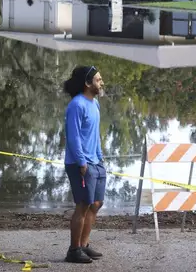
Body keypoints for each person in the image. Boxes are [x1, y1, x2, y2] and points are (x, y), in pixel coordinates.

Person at [62, 65, 106, 263]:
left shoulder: (94, 103)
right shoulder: (76, 105)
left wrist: (100, 157)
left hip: (96, 162)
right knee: (83, 205)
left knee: (96, 204)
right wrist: (82, 162)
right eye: (98, 80)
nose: (101, 82)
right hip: (80, 163)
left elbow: (94, 135)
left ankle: (84, 245)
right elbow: (73, 137)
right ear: (87, 84)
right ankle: (73, 250)